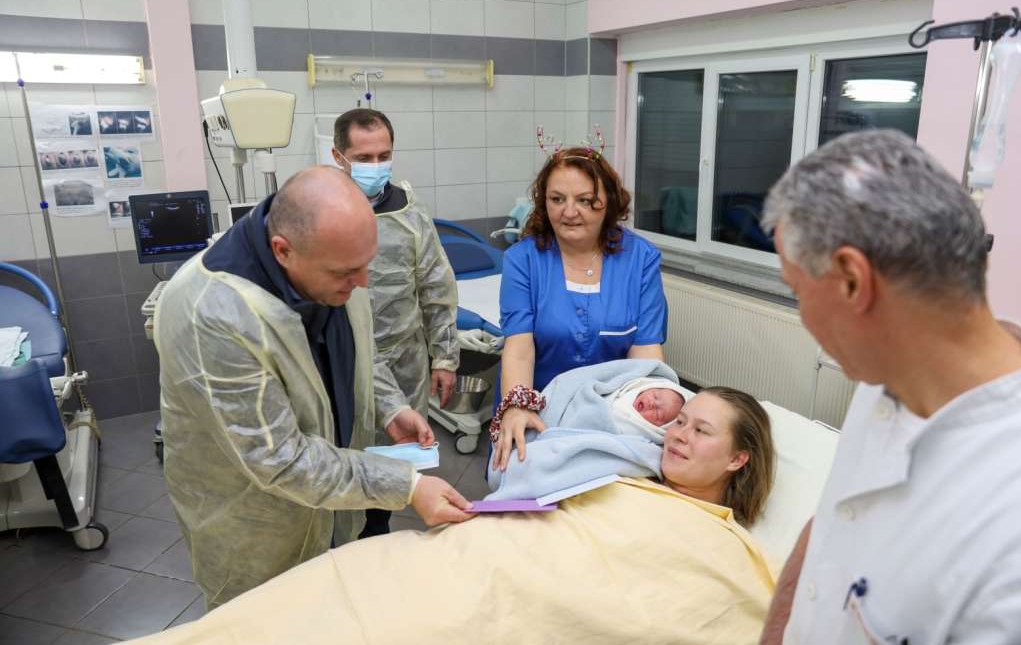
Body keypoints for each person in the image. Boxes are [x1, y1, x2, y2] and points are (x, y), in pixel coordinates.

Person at [127, 384, 777, 645]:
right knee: (332, 588)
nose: (677, 435)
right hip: (457, 558)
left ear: (739, 459)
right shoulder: (619, 477)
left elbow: (682, 614)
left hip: (508, 602)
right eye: (679, 422)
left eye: (700, 431)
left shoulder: (723, 547)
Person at [154, 167, 472, 609]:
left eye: (365, 265)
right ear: (283, 251)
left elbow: (360, 349)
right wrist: (408, 486)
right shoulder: (213, 316)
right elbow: (280, 461)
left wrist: (389, 406)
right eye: (349, 272)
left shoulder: (331, 264)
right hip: (259, 527)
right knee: (268, 622)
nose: (363, 283)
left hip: (332, 503)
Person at [757, 130, 1021, 644]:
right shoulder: (888, 374)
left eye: (797, 291)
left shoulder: (1006, 538)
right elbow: (830, 525)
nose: (803, 315)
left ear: (852, 281)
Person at [494, 145, 669, 470]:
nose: (569, 212)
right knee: (525, 476)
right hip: (537, 407)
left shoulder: (640, 259)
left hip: (613, 411)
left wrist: (645, 419)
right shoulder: (523, 260)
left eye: (585, 200)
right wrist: (518, 406)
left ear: (609, 202)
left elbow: (645, 354)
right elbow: (519, 349)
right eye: (557, 199)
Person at [331, 109, 459, 538]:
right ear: (338, 156)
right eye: (363, 158)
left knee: (396, 459)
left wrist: (445, 357)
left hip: (405, 361)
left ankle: (377, 534)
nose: (376, 165)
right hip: (344, 359)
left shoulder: (408, 210)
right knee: (345, 461)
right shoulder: (323, 210)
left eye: (384, 155)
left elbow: (436, 285)